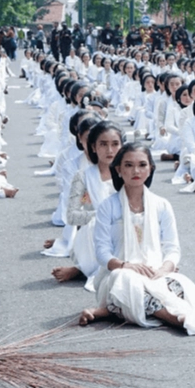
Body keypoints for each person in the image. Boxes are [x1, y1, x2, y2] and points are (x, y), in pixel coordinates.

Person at [79, 143, 195, 335]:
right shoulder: (108, 206)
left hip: (154, 271)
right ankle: (172, 318)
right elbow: (101, 252)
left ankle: (113, 311)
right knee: (127, 282)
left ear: (151, 169)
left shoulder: (162, 205)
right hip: (118, 274)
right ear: (118, 169)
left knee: (179, 285)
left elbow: (172, 248)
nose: (136, 170)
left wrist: (163, 269)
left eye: (142, 165)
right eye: (128, 165)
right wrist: (126, 265)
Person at [51, 121, 123, 288]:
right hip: (94, 231)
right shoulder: (82, 177)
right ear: (93, 147)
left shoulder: (128, 172)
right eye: (103, 144)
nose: (110, 150)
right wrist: (102, 216)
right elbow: (72, 215)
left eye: (115, 144)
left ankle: (84, 269)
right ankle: (86, 269)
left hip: (125, 228)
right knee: (95, 226)